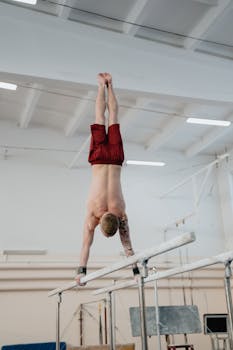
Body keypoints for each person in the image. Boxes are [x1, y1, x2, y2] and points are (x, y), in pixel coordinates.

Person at [75, 73, 139, 285]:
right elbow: (86, 245)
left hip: (115, 159)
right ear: (100, 223)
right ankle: (101, 85)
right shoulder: (93, 215)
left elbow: (128, 246)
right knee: (99, 117)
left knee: (112, 118)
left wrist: (136, 269)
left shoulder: (121, 214)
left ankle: (109, 85)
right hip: (99, 160)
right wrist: (80, 271)